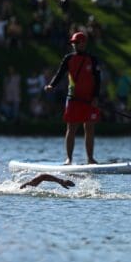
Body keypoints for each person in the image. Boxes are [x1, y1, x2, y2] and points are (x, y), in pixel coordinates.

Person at [45, 32, 100, 164]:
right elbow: (60, 73)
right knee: (72, 128)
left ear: (84, 43)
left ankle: (90, 159)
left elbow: (98, 79)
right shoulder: (68, 58)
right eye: (73, 43)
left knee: (89, 128)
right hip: (73, 98)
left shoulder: (92, 59)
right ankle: (69, 159)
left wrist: (96, 97)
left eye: (77, 43)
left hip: (88, 99)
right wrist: (52, 85)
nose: (74, 45)